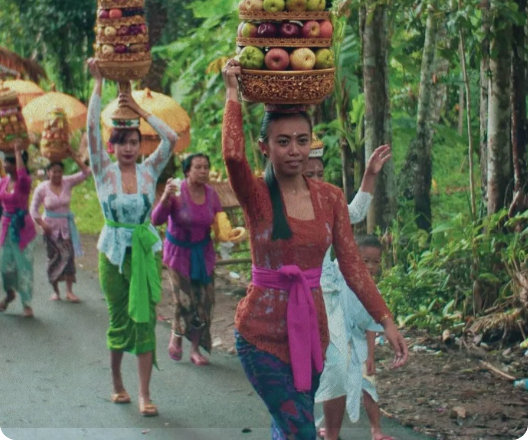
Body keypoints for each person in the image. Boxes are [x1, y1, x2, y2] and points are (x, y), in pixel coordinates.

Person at [221, 59, 408, 440]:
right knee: (302, 430)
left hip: (310, 333)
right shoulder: (257, 196)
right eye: (283, 141)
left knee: (288, 427)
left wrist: (385, 320)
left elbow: (353, 265)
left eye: (301, 140)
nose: (294, 150)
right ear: (265, 147)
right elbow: (233, 158)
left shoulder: (331, 197)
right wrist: (232, 94)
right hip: (260, 333)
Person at [86, 58, 178, 417]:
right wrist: (98, 86)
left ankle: (143, 393)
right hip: (111, 254)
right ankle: (116, 383)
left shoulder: (149, 170)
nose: (128, 148)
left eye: (133, 141)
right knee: (119, 319)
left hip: (144, 250)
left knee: (145, 320)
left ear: (141, 145)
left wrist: (138, 108)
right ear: (112, 146)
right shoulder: (102, 172)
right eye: (121, 142)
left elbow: (169, 138)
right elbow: (93, 130)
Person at [304, 138, 394, 440]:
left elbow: (353, 213)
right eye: (309, 173)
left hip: (329, 300)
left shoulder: (329, 202)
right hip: (294, 299)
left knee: (339, 370)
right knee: (299, 373)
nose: (316, 179)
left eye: (320, 173)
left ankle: (331, 434)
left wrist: (370, 174)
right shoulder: (281, 204)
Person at [151, 153, 222, 366]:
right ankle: (176, 336)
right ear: (187, 172)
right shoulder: (176, 193)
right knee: (185, 301)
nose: (203, 171)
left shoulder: (211, 194)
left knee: (205, 302)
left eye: (206, 167)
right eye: (198, 167)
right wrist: (164, 197)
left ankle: (194, 349)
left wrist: (226, 236)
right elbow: (156, 219)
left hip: (203, 253)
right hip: (178, 254)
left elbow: (219, 222)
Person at [30, 148, 91, 302]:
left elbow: (86, 173)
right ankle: (55, 291)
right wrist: (43, 224)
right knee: (54, 259)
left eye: (59, 171)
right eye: (53, 171)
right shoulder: (42, 188)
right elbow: (33, 209)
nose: (57, 174)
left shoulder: (67, 182)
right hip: (50, 229)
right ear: (48, 172)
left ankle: (69, 291)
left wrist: (73, 155)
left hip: (66, 228)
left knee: (69, 258)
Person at [0, 139, 37, 318]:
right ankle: (9, 294)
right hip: (6, 227)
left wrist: (17, 151)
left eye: (9, 162)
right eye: (5, 161)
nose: (5, 165)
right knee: (4, 266)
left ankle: (27, 303)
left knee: (24, 266)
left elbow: (22, 175)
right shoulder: (3, 182)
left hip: (23, 229)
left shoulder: (24, 182)